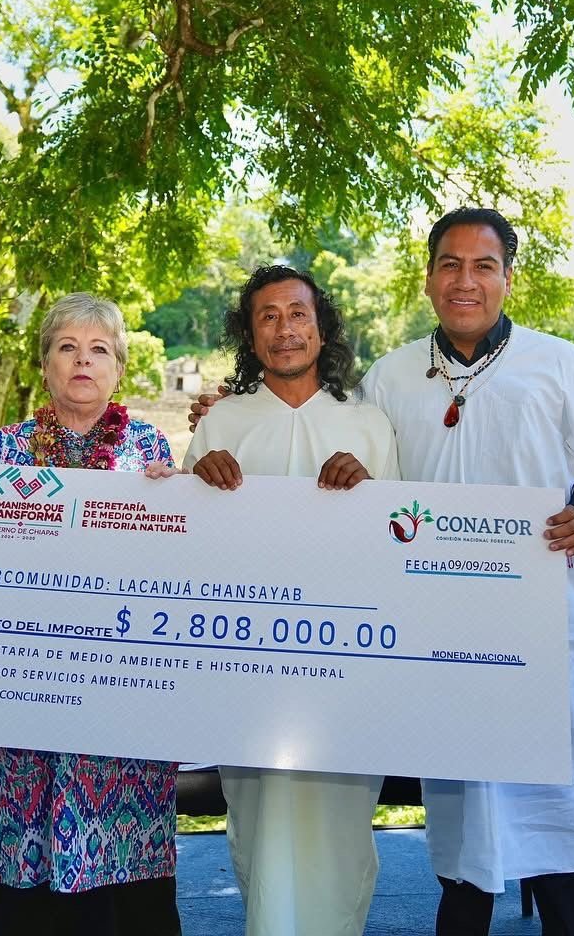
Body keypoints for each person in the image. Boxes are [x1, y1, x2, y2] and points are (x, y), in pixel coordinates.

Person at [192, 208, 574, 935]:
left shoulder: (558, 361)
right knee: (459, 814)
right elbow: (333, 450)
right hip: (434, 632)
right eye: (450, 265)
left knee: (548, 806)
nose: (466, 280)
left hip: (537, 621)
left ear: (506, 277)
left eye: (483, 266)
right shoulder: (391, 378)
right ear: (429, 279)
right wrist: (223, 415)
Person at [0, 292, 181, 936]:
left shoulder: (152, 454)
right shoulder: (3, 451)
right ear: (46, 363)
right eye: (67, 347)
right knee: (29, 862)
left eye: (99, 350)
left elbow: (178, 564)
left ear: (118, 367)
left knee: (126, 858)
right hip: (24, 691)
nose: (83, 361)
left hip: (122, 690)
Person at [180, 264, 399, 936]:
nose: (284, 329)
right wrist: (197, 479)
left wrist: (369, 495)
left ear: (321, 325)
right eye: (267, 316)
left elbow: (399, 552)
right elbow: (185, 551)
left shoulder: (368, 426)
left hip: (344, 675)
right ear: (250, 333)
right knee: (262, 825)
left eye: (297, 313)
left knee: (337, 833)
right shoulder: (222, 424)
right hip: (250, 675)